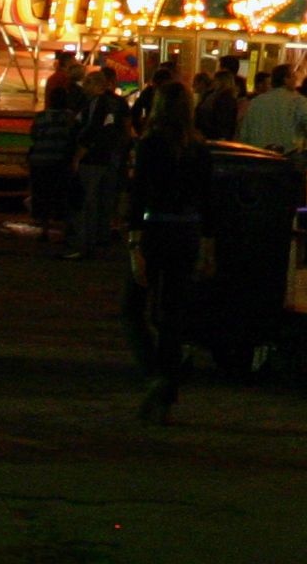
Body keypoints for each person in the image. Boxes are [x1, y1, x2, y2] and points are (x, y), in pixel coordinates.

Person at [127, 83, 213, 425]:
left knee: (132, 307)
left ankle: (155, 375)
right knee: (173, 313)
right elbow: (208, 199)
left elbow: (139, 194)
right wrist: (208, 244)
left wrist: (134, 243)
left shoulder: (151, 144)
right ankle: (168, 386)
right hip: (187, 231)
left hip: (155, 229)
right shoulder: (199, 147)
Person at [70, 65, 132, 261]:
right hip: (109, 156)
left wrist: (79, 153)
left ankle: (85, 244)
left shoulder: (97, 103)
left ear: (97, 85)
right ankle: (99, 239)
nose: (85, 86)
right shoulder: (115, 103)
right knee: (103, 200)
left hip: (94, 157)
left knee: (87, 201)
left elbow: (92, 129)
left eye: (88, 83)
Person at [26, 75, 86, 252]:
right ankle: (65, 230)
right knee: (61, 195)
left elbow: (34, 135)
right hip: (60, 161)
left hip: (40, 160)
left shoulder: (41, 117)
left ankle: (44, 230)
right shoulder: (70, 118)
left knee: (42, 194)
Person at [234, 66, 307, 160]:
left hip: (259, 155)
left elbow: (244, 132)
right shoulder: (297, 101)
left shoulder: (256, 102)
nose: (296, 79)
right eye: (293, 76)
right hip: (288, 155)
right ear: (285, 79)